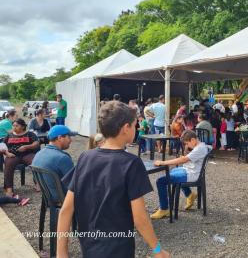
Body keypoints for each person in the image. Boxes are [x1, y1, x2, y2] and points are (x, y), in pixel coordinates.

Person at [57, 101, 170, 258]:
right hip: (118, 248)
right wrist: (157, 250)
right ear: (125, 128)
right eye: (134, 125)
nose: (136, 129)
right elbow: (140, 218)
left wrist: (61, 253)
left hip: (89, 246)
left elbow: (66, 209)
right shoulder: (132, 163)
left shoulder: (85, 157)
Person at [150, 130, 210, 219]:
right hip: (190, 170)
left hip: (191, 174)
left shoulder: (199, 149)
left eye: (187, 143)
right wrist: (185, 157)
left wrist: (163, 162)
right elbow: (188, 158)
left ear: (193, 140)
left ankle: (164, 209)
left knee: (161, 181)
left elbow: (183, 160)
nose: (186, 145)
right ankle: (190, 195)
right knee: (173, 172)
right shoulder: (202, 145)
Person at [32, 125, 75, 201]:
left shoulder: (39, 153)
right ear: (60, 138)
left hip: (48, 196)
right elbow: (74, 184)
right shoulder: (62, 158)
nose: (71, 140)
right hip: (63, 199)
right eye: (69, 137)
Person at [3, 118, 40, 197]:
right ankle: (9, 189)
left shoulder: (30, 134)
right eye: (13, 125)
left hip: (27, 154)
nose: (14, 127)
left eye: (17, 125)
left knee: (36, 162)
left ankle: (38, 183)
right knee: (8, 165)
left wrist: (27, 146)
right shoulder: (9, 135)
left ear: (23, 127)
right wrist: (7, 153)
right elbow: (3, 146)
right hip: (13, 155)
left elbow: (36, 143)